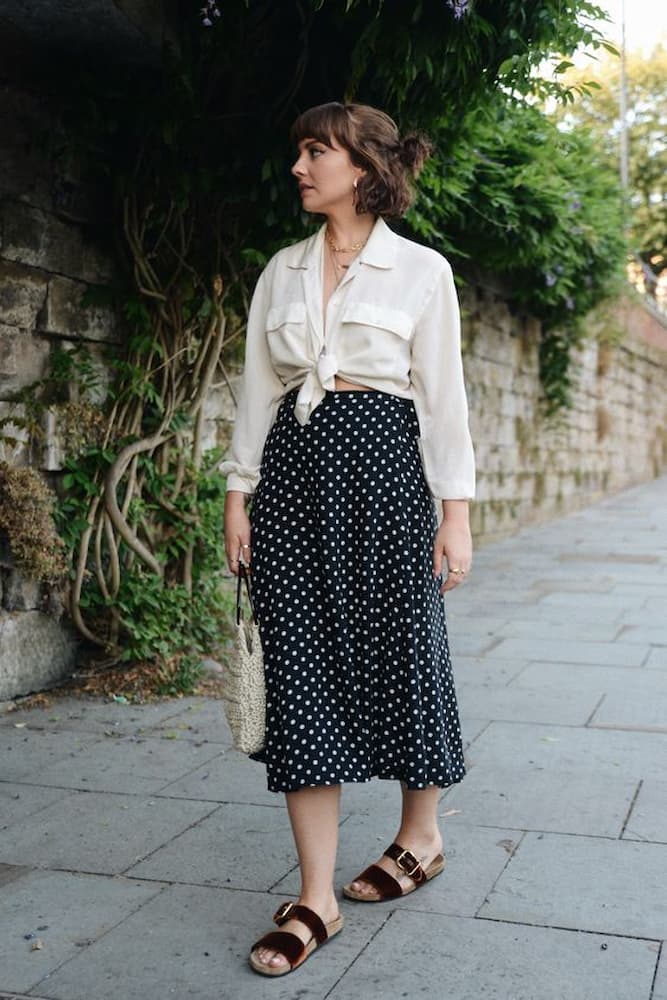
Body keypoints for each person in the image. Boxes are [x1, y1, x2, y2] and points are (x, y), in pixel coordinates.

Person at [221, 101, 475, 978]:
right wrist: (236, 493)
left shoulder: (421, 272)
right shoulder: (280, 272)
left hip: (387, 485)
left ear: (363, 168)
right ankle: (315, 893)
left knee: (404, 650)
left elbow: (443, 401)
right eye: (298, 149)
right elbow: (256, 390)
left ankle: (421, 833)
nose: (298, 165)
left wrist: (456, 513)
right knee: (299, 668)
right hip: (290, 484)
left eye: (315, 151)